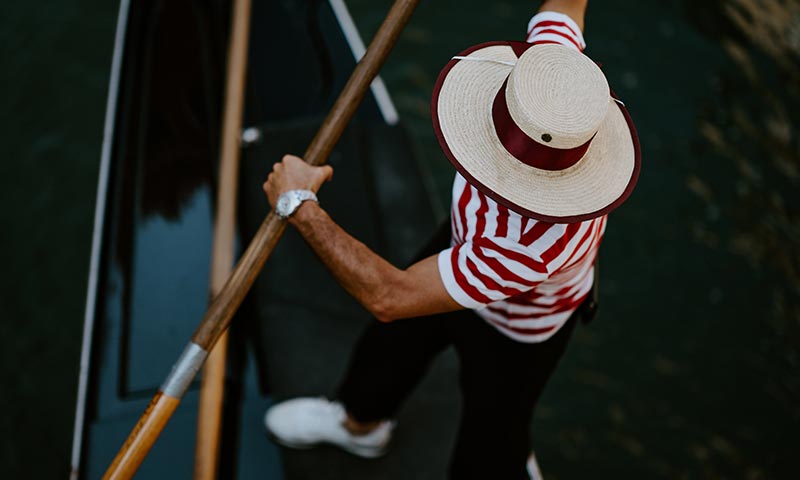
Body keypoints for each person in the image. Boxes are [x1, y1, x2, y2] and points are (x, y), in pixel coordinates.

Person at [261, 0, 640, 478]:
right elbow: (566, 6)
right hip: (467, 244)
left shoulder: (532, 244)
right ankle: (360, 426)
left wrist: (298, 205)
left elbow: (388, 295)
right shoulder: (550, 83)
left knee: (491, 441)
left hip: (519, 326)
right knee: (390, 348)